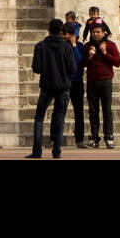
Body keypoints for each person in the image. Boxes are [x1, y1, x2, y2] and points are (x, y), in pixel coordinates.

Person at [27, 18, 76, 159]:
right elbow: (72, 68)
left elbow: (36, 68)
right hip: (63, 86)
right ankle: (57, 151)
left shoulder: (40, 46)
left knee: (39, 118)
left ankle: (37, 151)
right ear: (61, 31)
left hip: (47, 85)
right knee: (60, 119)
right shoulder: (67, 47)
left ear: (48, 29)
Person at [81, 23, 120, 148]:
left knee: (107, 110)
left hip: (106, 81)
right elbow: (82, 64)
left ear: (104, 33)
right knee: (93, 111)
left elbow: (117, 62)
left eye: (98, 32)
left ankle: (109, 136)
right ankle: (94, 137)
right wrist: (90, 56)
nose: (95, 34)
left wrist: (105, 53)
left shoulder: (110, 45)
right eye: (93, 32)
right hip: (92, 81)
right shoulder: (87, 46)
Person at [67, 25, 86, 148]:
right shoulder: (62, 46)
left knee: (79, 112)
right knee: (59, 111)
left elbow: (80, 61)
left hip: (77, 81)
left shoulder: (80, 46)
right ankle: (54, 138)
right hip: (64, 81)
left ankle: (79, 139)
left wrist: (74, 46)